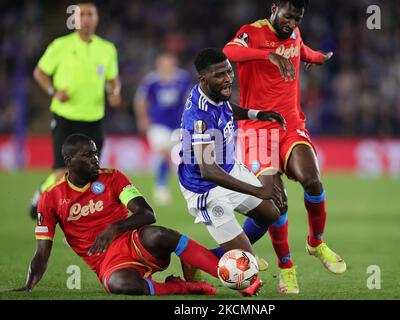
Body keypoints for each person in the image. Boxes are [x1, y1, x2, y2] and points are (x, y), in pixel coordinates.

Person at [223, 0, 346, 294]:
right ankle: (286, 267)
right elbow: (229, 52)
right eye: (288, 17)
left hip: (291, 124)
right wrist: (269, 56)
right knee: (277, 202)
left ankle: (316, 242)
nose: (291, 24)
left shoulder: (294, 33)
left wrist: (317, 57)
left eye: (297, 19)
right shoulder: (251, 32)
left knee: (313, 181)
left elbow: (300, 49)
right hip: (257, 129)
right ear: (274, 8)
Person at [14, 133, 223, 296]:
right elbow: (42, 252)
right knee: (122, 285)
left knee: (159, 234)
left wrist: (114, 228)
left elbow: (148, 213)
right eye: (87, 156)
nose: (95, 159)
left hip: (133, 241)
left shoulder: (112, 177)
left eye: (95, 153)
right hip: (106, 263)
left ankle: (228, 274)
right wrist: (29, 285)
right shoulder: (51, 198)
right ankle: (183, 287)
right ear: (69, 161)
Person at [177, 48, 287, 287]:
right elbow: (209, 170)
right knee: (247, 276)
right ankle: (194, 258)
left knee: (270, 213)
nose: (228, 78)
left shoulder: (216, 95)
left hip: (228, 169)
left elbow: (228, 111)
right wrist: (256, 190)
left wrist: (257, 114)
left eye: (229, 71)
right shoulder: (198, 117)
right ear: (204, 79)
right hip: (205, 188)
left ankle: (206, 256)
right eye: (220, 75)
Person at [29, 1, 122, 219]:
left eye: (91, 14)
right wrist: (54, 91)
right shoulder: (60, 45)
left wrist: (115, 91)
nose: (87, 19)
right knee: (63, 172)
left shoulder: (107, 49)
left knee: (90, 173)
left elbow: (113, 79)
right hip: (66, 117)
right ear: (74, 19)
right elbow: (39, 73)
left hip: (93, 119)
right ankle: (42, 195)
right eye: (82, 14)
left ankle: (79, 219)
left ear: (97, 18)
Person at [134, 52, 192, 205]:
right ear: (159, 64)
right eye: (164, 63)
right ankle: (160, 187)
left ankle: (171, 185)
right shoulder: (151, 80)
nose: (167, 66)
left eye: (170, 63)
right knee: (165, 152)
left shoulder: (182, 78)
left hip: (178, 124)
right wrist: (142, 118)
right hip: (157, 123)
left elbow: (189, 99)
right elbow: (140, 100)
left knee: (174, 156)